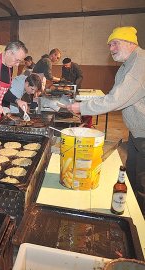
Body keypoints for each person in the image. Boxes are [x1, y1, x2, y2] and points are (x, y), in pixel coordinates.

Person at [66, 26, 145, 215]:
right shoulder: (127, 65)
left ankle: (140, 227)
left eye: (115, 43)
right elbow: (112, 95)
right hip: (136, 134)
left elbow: (116, 99)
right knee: (133, 178)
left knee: (142, 184)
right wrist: (86, 103)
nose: (111, 49)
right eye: (110, 45)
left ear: (130, 43)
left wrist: (82, 107)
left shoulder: (140, 63)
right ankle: (132, 214)